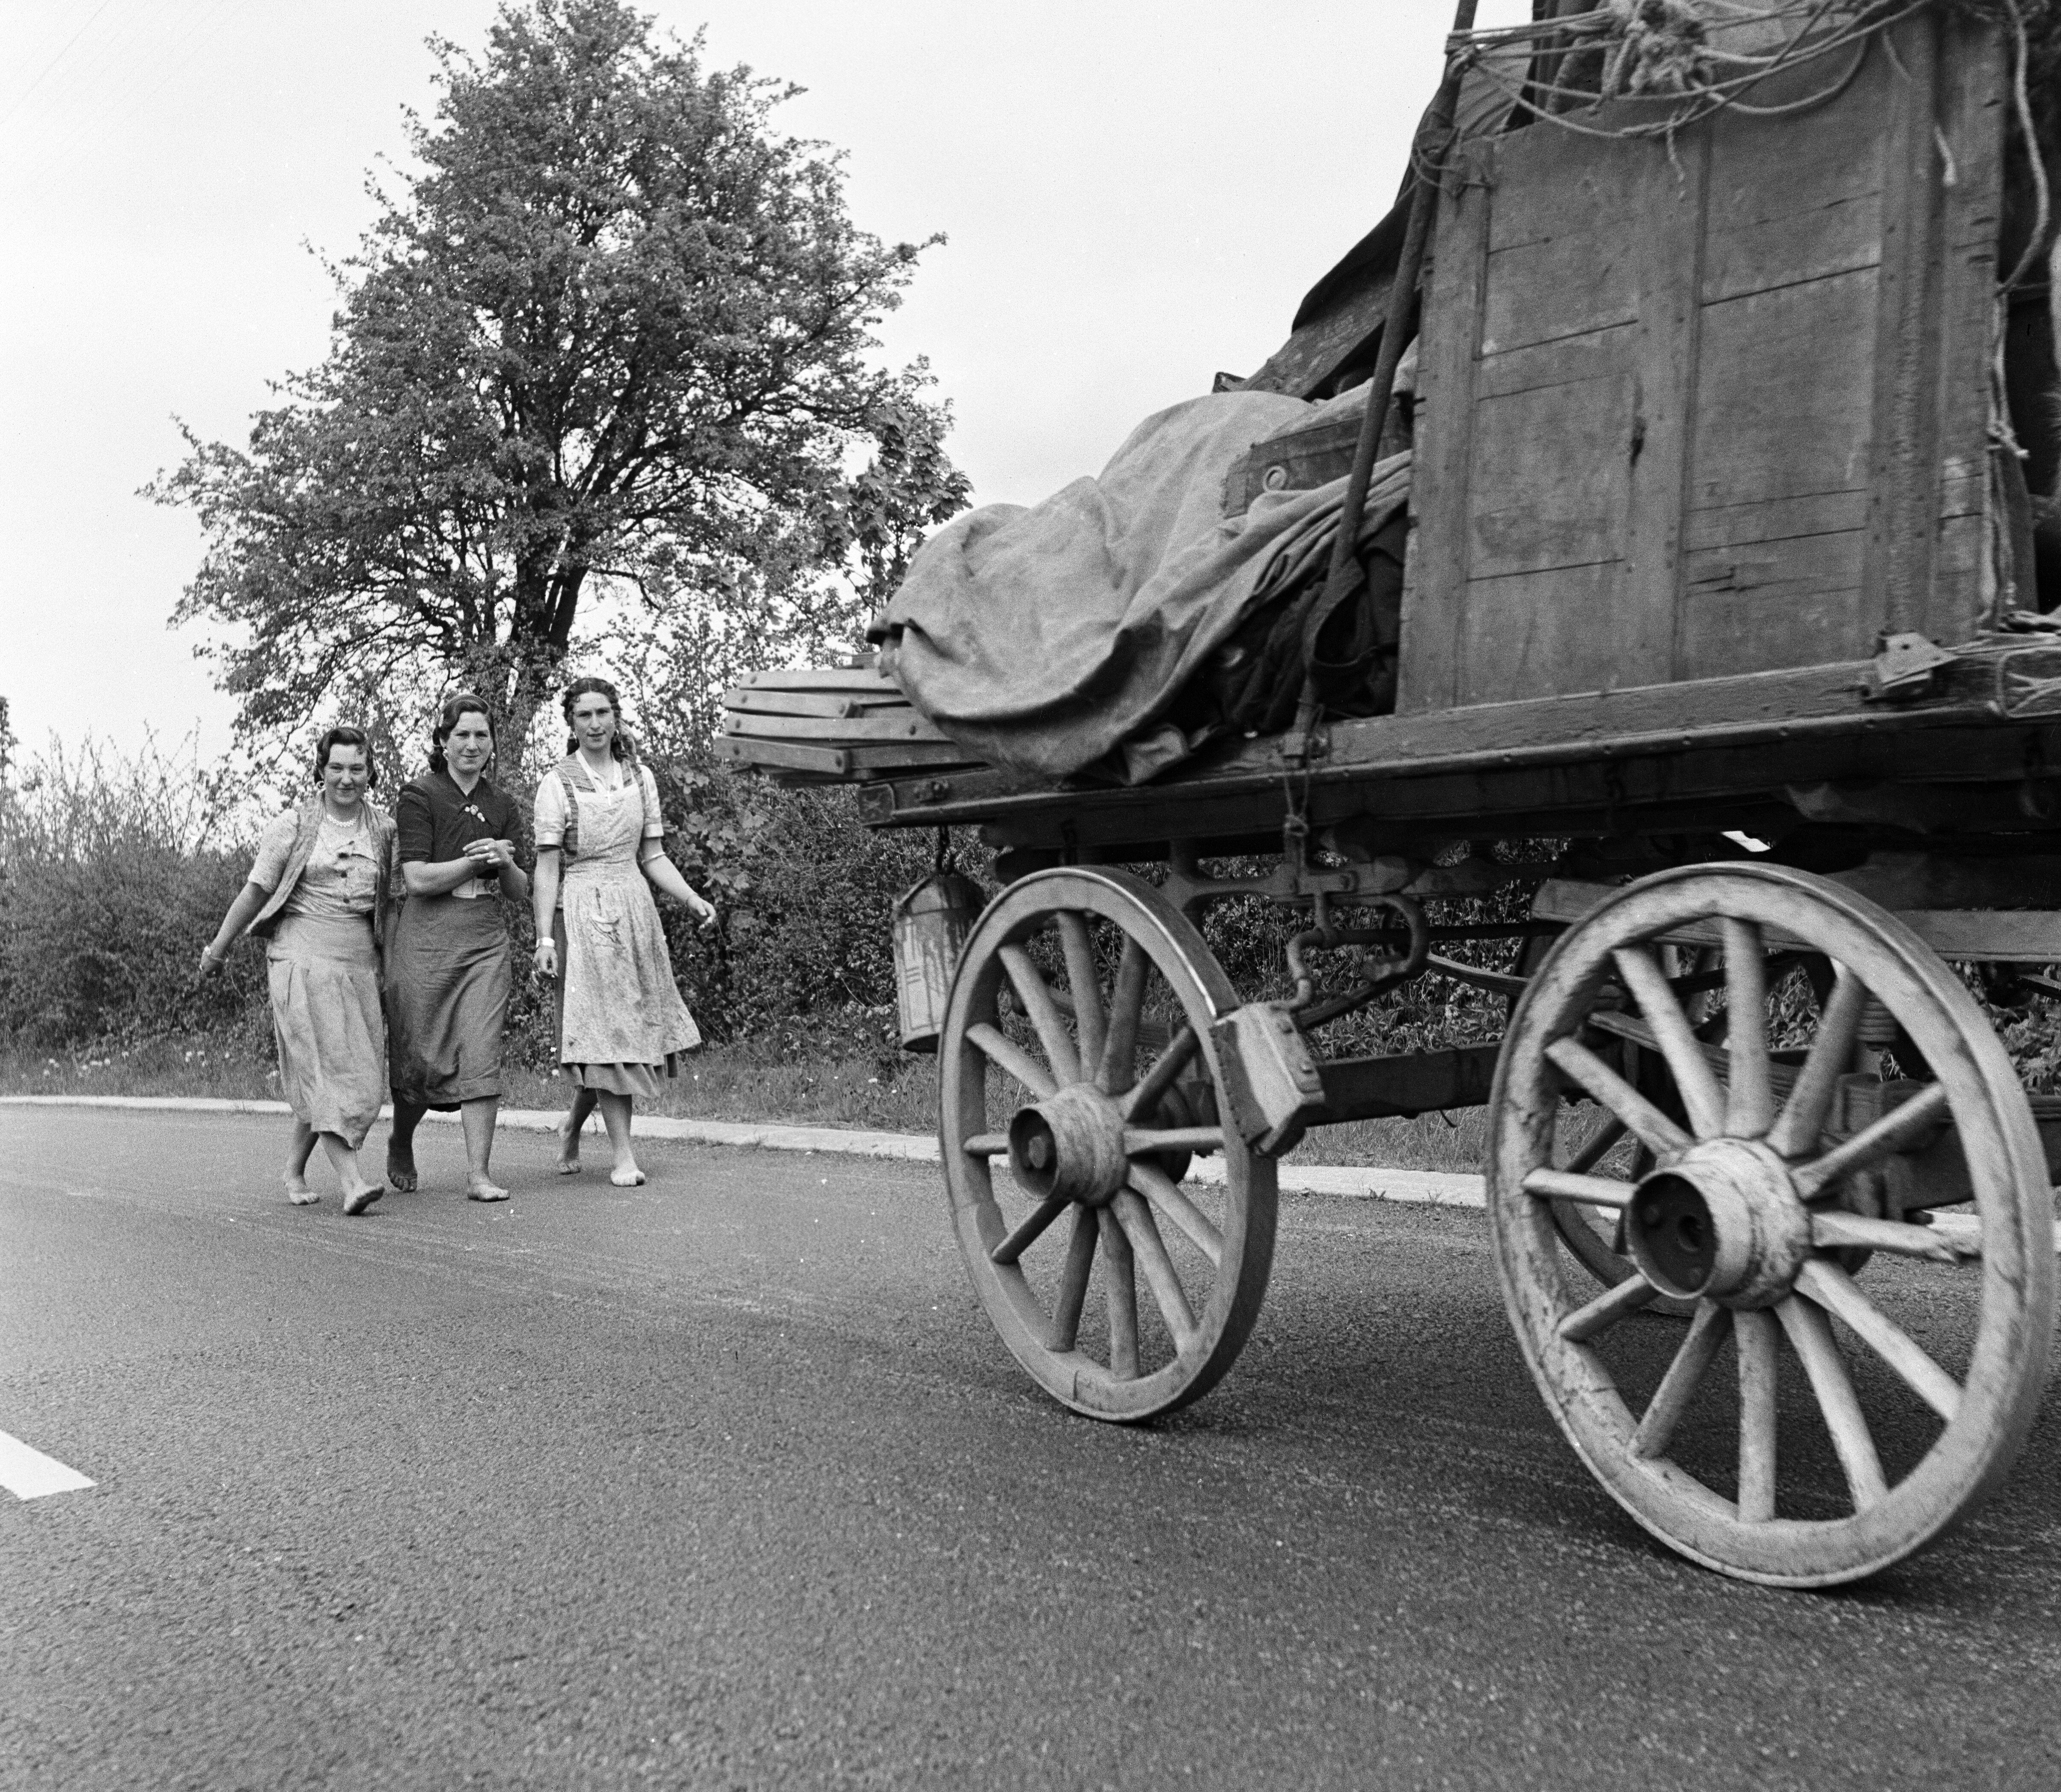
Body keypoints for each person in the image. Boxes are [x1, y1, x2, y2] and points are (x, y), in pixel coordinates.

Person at [198, 726, 399, 1214]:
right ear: (321, 769)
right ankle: (352, 1182)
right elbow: (255, 893)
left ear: (371, 771)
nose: (347, 778)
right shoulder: (292, 825)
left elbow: (393, 904)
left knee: (362, 1077)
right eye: (337, 768)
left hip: (358, 962)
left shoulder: (386, 829)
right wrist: (218, 948)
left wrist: (392, 967)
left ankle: (293, 1167)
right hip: (299, 954)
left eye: (357, 768)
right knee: (322, 1068)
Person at [531, 676, 715, 1187]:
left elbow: (653, 856)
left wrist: (692, 898)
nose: (594, 724)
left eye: (602, 714)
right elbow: (548, 868)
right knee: (605, 1032)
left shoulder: (640, 777)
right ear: (571, 723)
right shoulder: (557, 783)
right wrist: (544, 938)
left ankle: (573, 1124)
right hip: (584, 911)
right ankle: (623, 1156)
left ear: (616, 717)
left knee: (624, 1029)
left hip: (634, 908)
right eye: (584, 716)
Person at [383, 694, 530, 1202]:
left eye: (481, 735)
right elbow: (418, 879)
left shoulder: (502, 804)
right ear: (442, 741)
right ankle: (401, 1139)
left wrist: (504, 863)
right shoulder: (419, 795)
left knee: (482, 1048)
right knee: (421, 1055)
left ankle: (479, 1174)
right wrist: (473, 862)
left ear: (493, 743)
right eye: (462, 735)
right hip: (426, 935)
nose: (472, 744)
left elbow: (519, 889)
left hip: (484, 933)